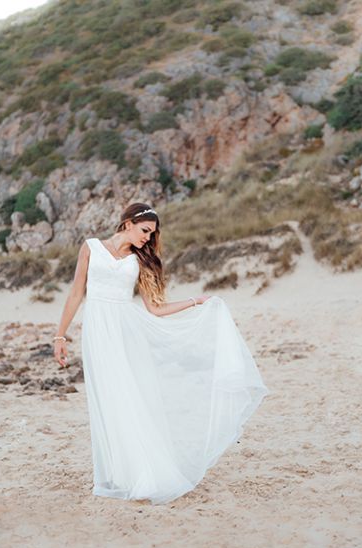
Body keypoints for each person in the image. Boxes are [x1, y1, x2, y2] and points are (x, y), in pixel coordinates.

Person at [53, 202, 268, 504]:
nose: (148, 238)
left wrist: (195, 302)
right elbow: (77, 293)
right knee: (107, 400)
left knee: (128, 397)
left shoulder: (139, 260)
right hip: (97, 333)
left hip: (127, 333)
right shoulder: (90, 247)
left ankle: (142, 473)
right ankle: (120, 474)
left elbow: (155, 309)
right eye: (145, 231)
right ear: (128, 222)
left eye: (151, 234)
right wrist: (60, 335)